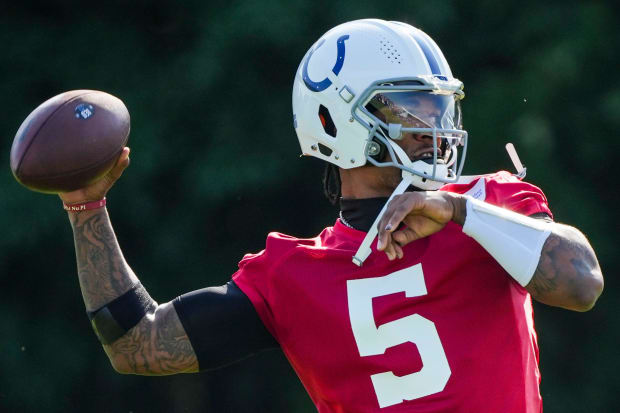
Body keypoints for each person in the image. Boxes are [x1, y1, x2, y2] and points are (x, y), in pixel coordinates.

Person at [60, 19, 603, 412]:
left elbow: (582, 284)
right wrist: (86, 207)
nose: (434, 127)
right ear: (336, 120)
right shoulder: (290, 276)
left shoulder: (488, 205)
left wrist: (460, 211)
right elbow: (137, 344)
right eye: (413, 108)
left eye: (440, 108)